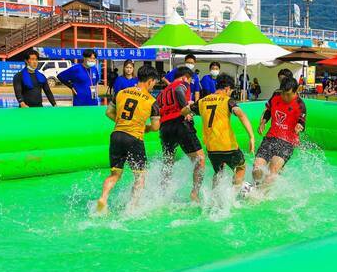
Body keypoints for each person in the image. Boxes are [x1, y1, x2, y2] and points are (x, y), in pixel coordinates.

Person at [96, 65, 161, 213]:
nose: (153, 86)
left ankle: (103, 198)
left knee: (115, 175)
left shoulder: (121, 93)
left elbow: (109, 112)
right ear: (150, 81)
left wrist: (123, 123)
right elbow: (156, 127)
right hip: (134, 138)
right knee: (140, 176)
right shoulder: (152, 101)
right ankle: (132, 207)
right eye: (154, 83)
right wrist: (145, 128)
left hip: (117, 135)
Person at [181, 74, 255, 188]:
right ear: (227, 88)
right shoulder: (227, 100)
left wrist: (188, 112)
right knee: (240, 167)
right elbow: (240, 114)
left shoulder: (202, 101)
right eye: (230, 91)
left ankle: (215, 199)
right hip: (228, 146)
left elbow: (183, 111)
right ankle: (233, 196)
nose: (230, 93)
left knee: (218, 172)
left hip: (211, 148)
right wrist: (251, 137)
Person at [156, 66, 205, 202]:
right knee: (200, 160)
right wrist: (186, 109)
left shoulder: (162, 92)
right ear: (185, 77)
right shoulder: (181, 84)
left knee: (168, 162)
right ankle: (195, 193)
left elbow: (155, 108)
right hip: (180, 123)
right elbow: (179, 90)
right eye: (189, 81)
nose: (189, 84)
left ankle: (162, 193)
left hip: (164, 128)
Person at [253, 77, 306, 186]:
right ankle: (256, 187)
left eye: (288, 94)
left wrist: (299, 126)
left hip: (287, 142)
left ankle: (261, 196)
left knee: (272, 170)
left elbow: (302, 122)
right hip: (270, 138)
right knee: (257, 168)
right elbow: (268, 110)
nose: (285, 97)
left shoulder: (300, 105)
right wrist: (263, 122)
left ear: (295, 92)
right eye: (283, 93)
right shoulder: (276, 96)